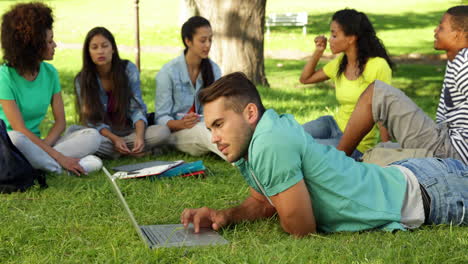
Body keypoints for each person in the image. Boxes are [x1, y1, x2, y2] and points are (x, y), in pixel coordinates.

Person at [180, 72, 467, 236]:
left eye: (219, 124)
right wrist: (224, 215)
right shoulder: (261, 138)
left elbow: (300, 227)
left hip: (431, 194)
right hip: (416, 176)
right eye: (210, 128)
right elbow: (263, 201)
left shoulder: (270, 142)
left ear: (250, 113)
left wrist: (284, 200)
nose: (214, 138)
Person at [336, 6, 468, 164]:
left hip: (451, 152)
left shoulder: (464, 63)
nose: (435, 30)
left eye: (441, 27)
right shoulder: (457, 59)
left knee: (377, 93)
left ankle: (335, 162)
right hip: (445, 141)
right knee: (379, 153)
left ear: (459, 34)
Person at [0, 2, 102, 176]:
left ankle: (41, 165)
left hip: (40, 144)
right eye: (49, 41)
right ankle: (59, 170)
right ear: (32, 46)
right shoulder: (3, 78)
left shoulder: (50, 73)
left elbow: (60, 122)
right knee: (16, 139)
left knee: (92, 135)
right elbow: (19, 129)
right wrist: (59, 157)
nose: (54, 45)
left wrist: (46, 148)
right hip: (12, 147)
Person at [299, 9, 394, 159]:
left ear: (351, 38)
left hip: (356, 143)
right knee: (291, 137)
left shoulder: (378, 66)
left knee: (304, 149)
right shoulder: (340, 63)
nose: (330, 39)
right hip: (332, 125)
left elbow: (383, 111)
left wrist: (387, 151)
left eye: (334, 35)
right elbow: (305, 79)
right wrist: (318, 51)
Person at [75, 27, 170, 159]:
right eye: (94, 47)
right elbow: (92, 121)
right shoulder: (82, 80)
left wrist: (140, 137)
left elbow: (137, 109)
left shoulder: (128, 70)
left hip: (129, 131)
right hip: (104, 137)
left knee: (162, 132)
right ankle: (130, 151)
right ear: (88, 52)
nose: (100, 51)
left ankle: (125, 150)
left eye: (104, 46)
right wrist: (115, 139)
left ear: (112, 49)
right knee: (89, 140)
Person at [155, 16, 225, 159]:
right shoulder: (168, 72)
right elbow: (161, 117)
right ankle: (237, 159)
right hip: (177, 134)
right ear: (188, 41)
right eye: (202, 40)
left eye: (210, 40)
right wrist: (180, 124)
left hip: (207, 127)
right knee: (201, 131)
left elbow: (218, 107)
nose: (208, 45)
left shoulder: (214, 69)